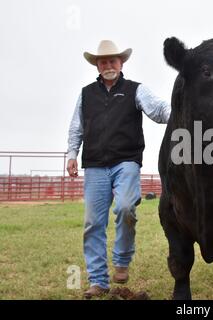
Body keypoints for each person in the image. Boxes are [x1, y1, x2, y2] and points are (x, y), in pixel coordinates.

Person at [66, 40, 171, 299]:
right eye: (103, 61)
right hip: (94, 165)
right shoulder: (86, 94)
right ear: (98, 65)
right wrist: (72, 154)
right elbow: (76, 128)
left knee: (125, 206)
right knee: (93, 223)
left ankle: (122, 261)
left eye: (113, 61)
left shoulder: (136, 90)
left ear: (121, 63)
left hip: (126, 161)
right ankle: (99, 281)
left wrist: (182, 112)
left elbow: (158, 109)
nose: (108, 65)